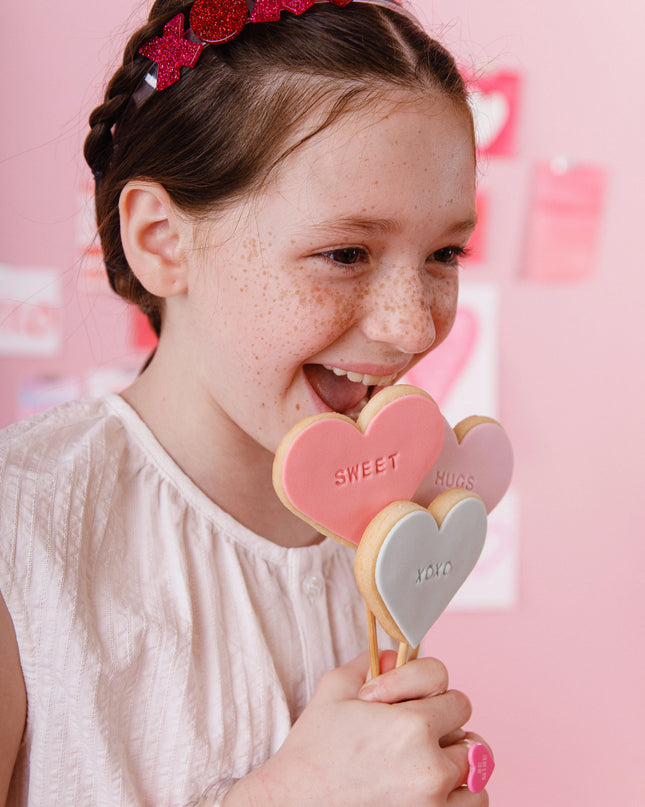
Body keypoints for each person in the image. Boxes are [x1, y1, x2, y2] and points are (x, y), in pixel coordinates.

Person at [0, 0, 491, 803]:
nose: (410, 328)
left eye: (444, 251)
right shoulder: (22, 536)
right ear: (162, 239)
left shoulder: (388, 523)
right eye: (343, 252)